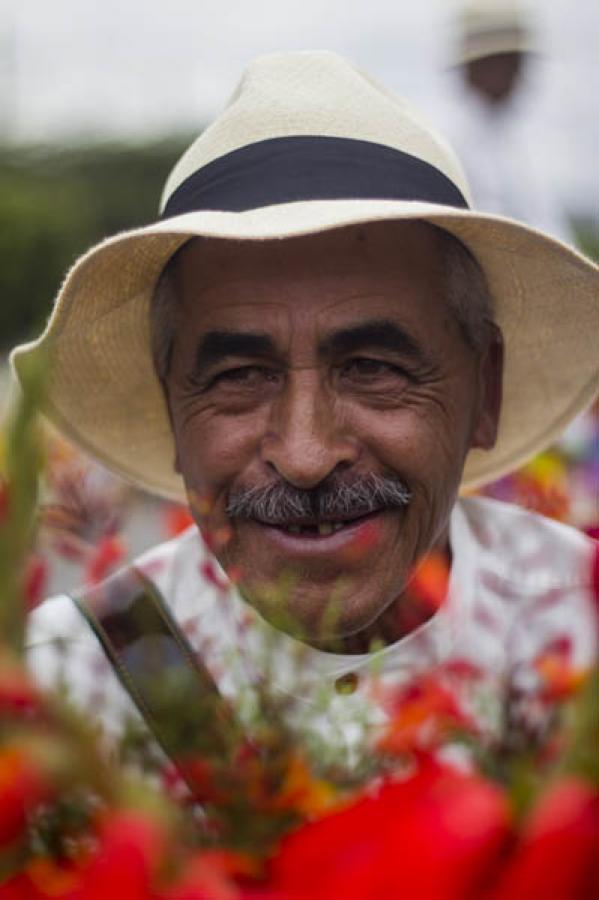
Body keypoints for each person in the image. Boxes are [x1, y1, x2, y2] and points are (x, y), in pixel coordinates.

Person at [14, 50, 598, 767]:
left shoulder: (578, 627)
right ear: (171, 410)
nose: (305, 454)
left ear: (486, 391)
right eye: (239, 376)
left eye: (373, 369)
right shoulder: (67, 697)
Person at [444, 0, 572, 242]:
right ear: (477, 65)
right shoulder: (450, 140)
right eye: (509, 61)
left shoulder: (527, 140)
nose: (517, 72)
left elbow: (549, 224)